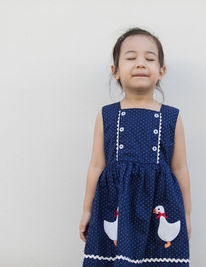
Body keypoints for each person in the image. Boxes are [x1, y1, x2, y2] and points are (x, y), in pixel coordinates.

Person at [79, 27, 192, 266]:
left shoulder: (172, 118)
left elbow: (180, 168)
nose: (141, 64)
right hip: (116, 205)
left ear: (161, 71)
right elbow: (96, 166)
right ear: (116, 71)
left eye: (149, 59)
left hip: (158, 204)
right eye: (131, 58)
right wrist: (87, 211)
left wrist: (187, 215)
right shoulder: (106, 115)